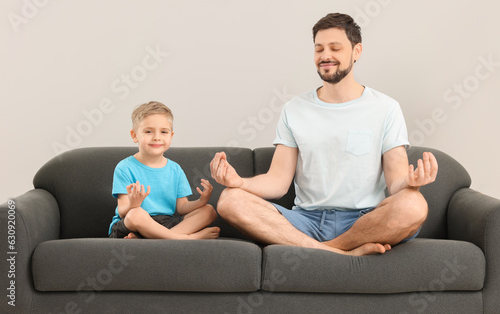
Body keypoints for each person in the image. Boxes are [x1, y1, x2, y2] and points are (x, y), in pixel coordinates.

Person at [210, 13, 438, 256]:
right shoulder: (294, 109)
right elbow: (278, 181)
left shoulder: (386, 108)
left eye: (335, 48)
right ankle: (342, 253)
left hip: (364, 222)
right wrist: (240, 183)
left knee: (413, 204)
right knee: (230, 199)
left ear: (356, 51)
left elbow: (396, 182)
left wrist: (410, 183)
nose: (325, 56)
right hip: (306, 221)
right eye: (319, 49)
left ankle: (323, 251)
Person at [108, 101, 220, 240]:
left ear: (171, 136)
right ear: (134, 135)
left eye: (163, 132)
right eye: (148, 131)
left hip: (167, 223)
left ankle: (151, 240)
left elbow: (182, 207)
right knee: (135, 214)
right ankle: (186, 239)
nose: (157, 137)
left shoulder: (175, 169)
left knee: (208, 211)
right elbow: (123, 211)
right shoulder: (124, 167)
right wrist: (134, 203)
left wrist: (201, 201)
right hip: (133, 223)